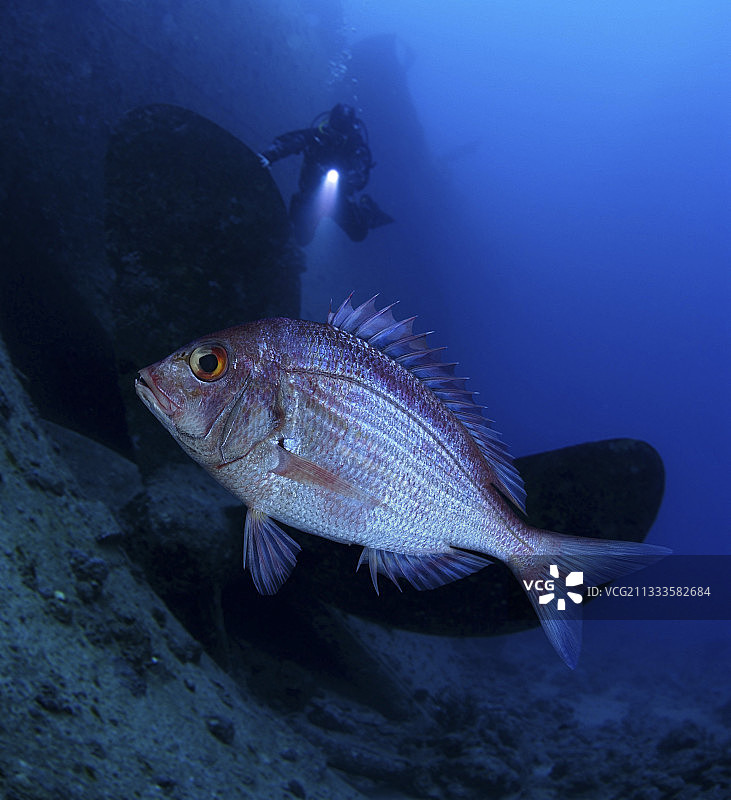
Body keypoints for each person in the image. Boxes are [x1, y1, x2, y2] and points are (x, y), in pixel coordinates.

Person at [258, 103, 393, 246]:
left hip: (339, 200)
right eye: (336, 124)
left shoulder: (356, 147)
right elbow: (292, 141)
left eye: (344, 127)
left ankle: (366, 209)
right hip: (309, 195)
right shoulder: (317, 136)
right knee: (301, 239)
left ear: (351, 128)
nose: (338, 132)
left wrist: (345, 179)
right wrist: (269, 156)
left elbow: (361, 175)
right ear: (330, 121)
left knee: (359, 234)